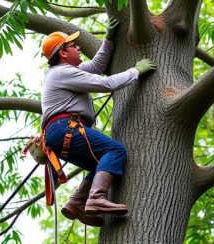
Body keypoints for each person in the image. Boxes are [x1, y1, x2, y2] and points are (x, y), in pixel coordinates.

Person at [41, 17, 156, 227]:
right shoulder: (63, 73)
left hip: (58, 134)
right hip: (65, 127)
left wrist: (109, 39)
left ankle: (77, 202)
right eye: (73, 45)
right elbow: (107, 83)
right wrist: (136, 71)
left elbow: (96, 65)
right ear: (63, 53)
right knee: (116, 151)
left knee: (101, 162)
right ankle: (96, 198)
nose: (78, 47)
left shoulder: (64, 72)